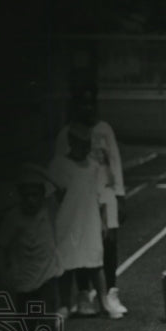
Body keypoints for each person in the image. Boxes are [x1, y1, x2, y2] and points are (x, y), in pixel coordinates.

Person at [55, 78, 128, 316]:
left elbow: (115, 162)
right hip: (79, 197)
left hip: (104, 191)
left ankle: (110, 293)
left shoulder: (104, 129)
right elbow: (58, 173)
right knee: (78, 242)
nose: (87, 108)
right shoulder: (66, 133)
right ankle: (83, 294)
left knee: (107, 242)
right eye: (82, 103)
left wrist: (120, 195)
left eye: (90, 103)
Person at [0, 163, 63, 331]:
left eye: (36, 195)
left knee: (47, 320)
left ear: (42, 196)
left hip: (48, 275)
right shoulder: (13, 218)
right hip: (24, 279)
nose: (31, 200)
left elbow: (62, 188)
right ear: (21, 197)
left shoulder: (49, 209)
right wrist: (1, 273)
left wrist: (38, 169)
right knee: (26, 326)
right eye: (27, 196)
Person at [48, 124, 120, 320]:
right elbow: (52, 195)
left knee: (95, 261)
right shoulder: (58, 165)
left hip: (90, 220)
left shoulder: (94, 167)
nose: (84, 147)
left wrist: (104, 222)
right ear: (71, 143)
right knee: (65, 262)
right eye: (80, 143)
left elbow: (101, 195)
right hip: (67, 221)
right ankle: (64, 304)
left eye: (86, 144)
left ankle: (104, 303)